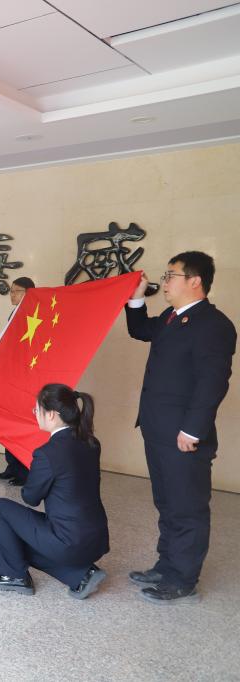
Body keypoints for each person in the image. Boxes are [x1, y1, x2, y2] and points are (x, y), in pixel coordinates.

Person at [125, 251, 236, 604]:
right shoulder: (171, 318)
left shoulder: (214, 325)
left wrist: (193, 430)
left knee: (187, 506)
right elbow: (139, 329)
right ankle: (166, 565)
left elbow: (212, 382)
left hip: (183, 435)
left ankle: (183, 578)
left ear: (195, 280)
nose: (165, 282)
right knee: (167, 502)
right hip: (157, 428)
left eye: (170, 275)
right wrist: (136, 296)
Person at [0, 384, 110, 599]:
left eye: (36, 410)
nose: (35, 414)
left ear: (51, 414)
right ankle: (82, 575)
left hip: (69, 542)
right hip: (96, 539)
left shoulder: (47, 453)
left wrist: (34, 472)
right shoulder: (91, 442)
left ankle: (13, 575)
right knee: (20, 537)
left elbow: (30, 498)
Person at [0, 276, 36, 486]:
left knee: (22, 426)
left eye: (16, 291)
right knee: (9, 424)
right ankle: (12, 466)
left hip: (27, 380)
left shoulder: (35, 315)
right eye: (11, 291)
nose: (12, 295)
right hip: (12, 377)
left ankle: (24, 472)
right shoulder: (14, 313)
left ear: (29, 294)